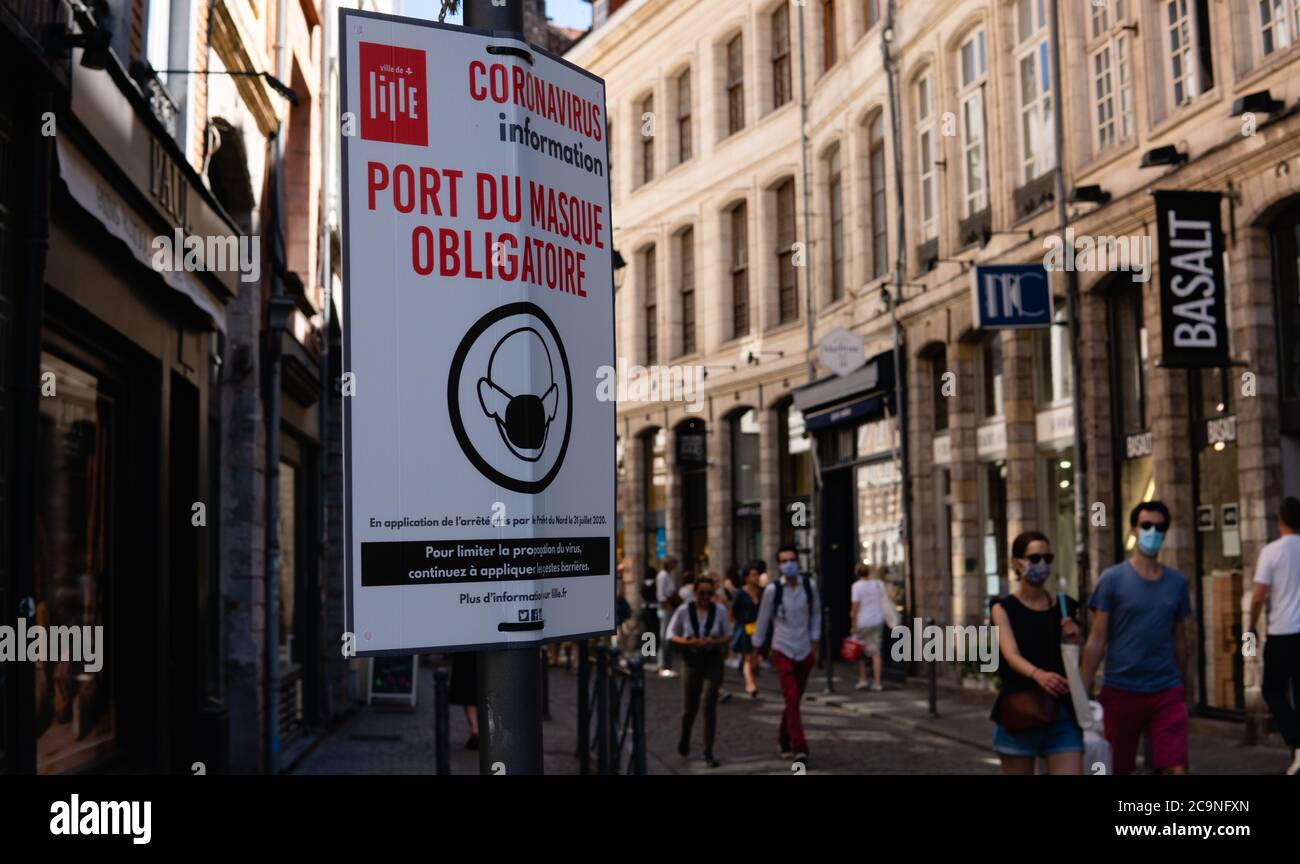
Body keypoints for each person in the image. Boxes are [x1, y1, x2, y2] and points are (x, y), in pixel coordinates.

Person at [1082, 501, 1191, 775]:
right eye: (1146, 526)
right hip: (1122, 689)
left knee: (1176, 766)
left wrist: (1182, 684)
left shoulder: (1177, 583)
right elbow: (1097, 639)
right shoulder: (1112, 579)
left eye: (1160, 527)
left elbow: (1181, 639)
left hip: (1165, 689)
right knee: (1118, 768)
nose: (1153, 532)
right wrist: (1080, 692)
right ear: (1134, 529)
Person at [989, 532, 1084, 775]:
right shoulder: (1003, 609)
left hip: (1062, 712)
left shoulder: (1065, 605)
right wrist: (1039, 675)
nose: (1042, 564)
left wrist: (1076, 637)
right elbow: (1010, 654)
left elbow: (1078, 657)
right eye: (1034, 557)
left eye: (1047, 557)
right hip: (1020, 711)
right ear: (1016, 563)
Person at [751, 544, 820, 765]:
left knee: (794, 700)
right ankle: (800, 748)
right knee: (790, 697)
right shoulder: (773, 591)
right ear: (779, 565)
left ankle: (783, 738)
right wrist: (755, 650)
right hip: (782, 648)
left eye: (791, 560)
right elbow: (762, 621)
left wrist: (815, 643)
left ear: (798, 562)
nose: (788, 564)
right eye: (783, 561)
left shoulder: (809, 586)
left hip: (804, 649)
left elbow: (816, 614)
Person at [1248, 496, 1300, 775]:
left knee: (1272, 689)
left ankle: (1296, 742)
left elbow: (1258, 597)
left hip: (1282, 632)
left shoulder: (1272, 552)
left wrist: (1250, 628)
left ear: (1279, 520)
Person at [667, 573, 732, 768]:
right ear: (695, 593)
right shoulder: (683, 611)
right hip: (691, 661)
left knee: (709, 704)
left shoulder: (719, 610)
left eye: (709, 594)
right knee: (690, 708)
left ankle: (708, 751)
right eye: (702, 593)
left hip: (712, 661)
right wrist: (688, 642)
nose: (705, 598)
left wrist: (715, 642)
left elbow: (727, 634)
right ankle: (685, 737)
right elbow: (670, 634)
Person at [849, 564, 887, 691]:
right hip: (877, 620)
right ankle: (877, 682)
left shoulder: (856, 586)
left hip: (863, 622)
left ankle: (863, 679)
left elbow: (855, 607)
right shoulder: (878, 584)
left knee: (861, 652)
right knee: (876, 652)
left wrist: (853, 625)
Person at [731, 562, 764, 697]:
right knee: (748, 657)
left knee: (756, 658)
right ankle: (750, 684)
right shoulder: (741, 594)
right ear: (746, 578)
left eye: (757, 575)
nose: (756, 578)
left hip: (759, 629)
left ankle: (751, 676)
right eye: (753, 575)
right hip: (746, 629)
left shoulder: (762, 592)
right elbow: (733, 612)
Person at [448, 651, 480, 750]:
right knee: (484, 689)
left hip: (467, 650)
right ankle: (478, 728)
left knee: (468, 692)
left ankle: (475, 727)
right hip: (485, 651)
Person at [656, 556, 681, 678]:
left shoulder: (668, 575)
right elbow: (662, 595)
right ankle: (662, 665)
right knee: (665, 636)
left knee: (668, 636)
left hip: (670, 608)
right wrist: (668, 607)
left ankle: (666, 664)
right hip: (667, 609)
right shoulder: (663, 576)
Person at [640, 565, 661, 667]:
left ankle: (646, 652)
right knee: (654, 630)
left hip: (645, 609)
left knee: (647, 631)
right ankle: (653, 651)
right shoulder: (655, 585)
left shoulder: (643, 585)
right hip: (654, 609)